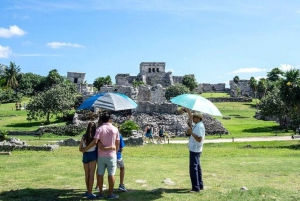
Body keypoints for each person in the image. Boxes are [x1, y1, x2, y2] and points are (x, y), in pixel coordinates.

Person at [95, 113, 120, 199]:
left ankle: (101, 193)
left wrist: (101, 146)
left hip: (101, 155)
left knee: (100, 174)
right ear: (109, 119)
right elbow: (117, 142)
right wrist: (115, 152)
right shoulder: (115, 129)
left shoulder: (99, 129)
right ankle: (110, 193)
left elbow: (96, 140)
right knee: (111, 174)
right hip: (111, 154)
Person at [186, 110, 205, 193]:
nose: (192, 119)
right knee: (197, 167)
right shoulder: (197, 124)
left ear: (198, 118)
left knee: (193, 169)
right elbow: (190, 116)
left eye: (194, 118)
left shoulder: (200, 126)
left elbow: (199, 139)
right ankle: (200, 185)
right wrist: (187, 110)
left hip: (195, 149)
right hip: (194, 149)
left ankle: (195, 188)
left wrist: (191, 133)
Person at [79, 122, 97, 199]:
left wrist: (84, 149)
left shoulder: (84, 136)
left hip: (85, 155)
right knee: (92, 174)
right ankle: (90, 192)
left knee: (87, 173)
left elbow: (80, 149)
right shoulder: (95, 136)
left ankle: (87, 190)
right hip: (93, 154)